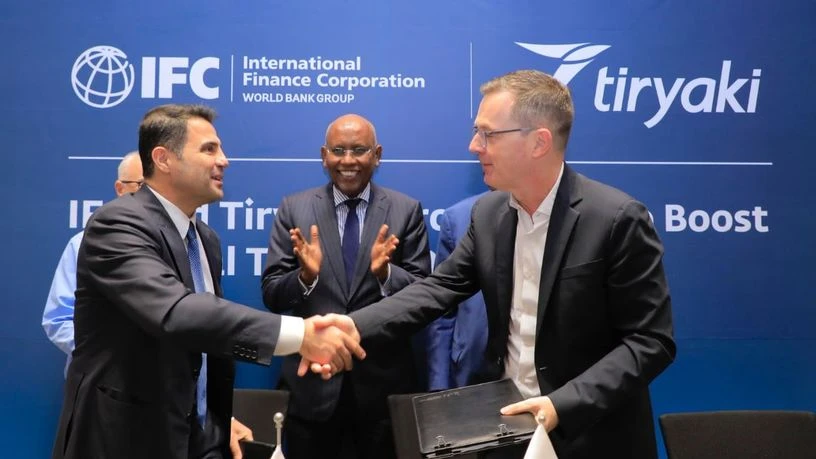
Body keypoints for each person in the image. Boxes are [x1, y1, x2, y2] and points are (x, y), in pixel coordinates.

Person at [342, 70, 676, 458]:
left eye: (488, 134)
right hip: (504, 434)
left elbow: (651, 342)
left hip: (591, 435)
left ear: (538, 142)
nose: (473, 146)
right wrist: (348, 325)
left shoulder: (616, 219)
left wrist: (560, 405)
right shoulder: (489, 215)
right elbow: (436, 290)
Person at [51, 104, 364, 459]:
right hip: (124, 439)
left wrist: (217, 420)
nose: (224, 161)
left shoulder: (205, 240)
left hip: (195, 439)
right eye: (209, 149)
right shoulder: (118, 224)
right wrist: (300, 336)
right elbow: (175, 312)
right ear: (164, 158)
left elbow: (202, 338)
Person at [261, 114, 431, 459]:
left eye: (359, 150)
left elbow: (424, 297)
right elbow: (272, 295)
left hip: (383, 392)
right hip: (312, 391)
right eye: (338, 150)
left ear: (377, 154)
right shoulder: (294, 208)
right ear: (324, 156)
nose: (348, 160)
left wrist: (386, 275)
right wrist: (304, 278)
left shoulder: (405, 210)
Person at [42, 151, 144, 375]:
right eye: (141, 185)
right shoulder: (82, 245)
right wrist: (109, 354)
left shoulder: (181, 244)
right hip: (98, 380)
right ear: (120, 189)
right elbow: (58, 319)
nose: (150, 197)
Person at [425, 191, 490, 391]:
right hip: (469, 374)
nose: (480, 156)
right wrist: (439, 384)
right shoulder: (459, 216)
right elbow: (442, 311)